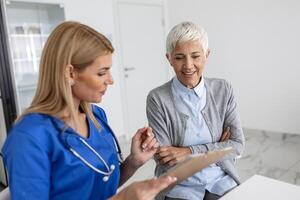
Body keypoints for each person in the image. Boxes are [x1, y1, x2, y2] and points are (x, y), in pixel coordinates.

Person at [2, 21, 177, 200]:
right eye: (101, 73)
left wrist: (134, 161)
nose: (110, 80)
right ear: (70, 74)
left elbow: (102, 184)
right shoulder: (30, 137)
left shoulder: (96, 117)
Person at [146, 21, 245, 200]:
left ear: (207, 55)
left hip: (220, 180)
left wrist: (187, 152)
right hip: (179, 186)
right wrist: (216, 149)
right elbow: (166, 159)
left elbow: (237, 145)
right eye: (179, 57)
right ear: (169, 58)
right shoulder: (157, 98)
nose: (188, 65)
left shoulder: (223, 89)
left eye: (195, 56)